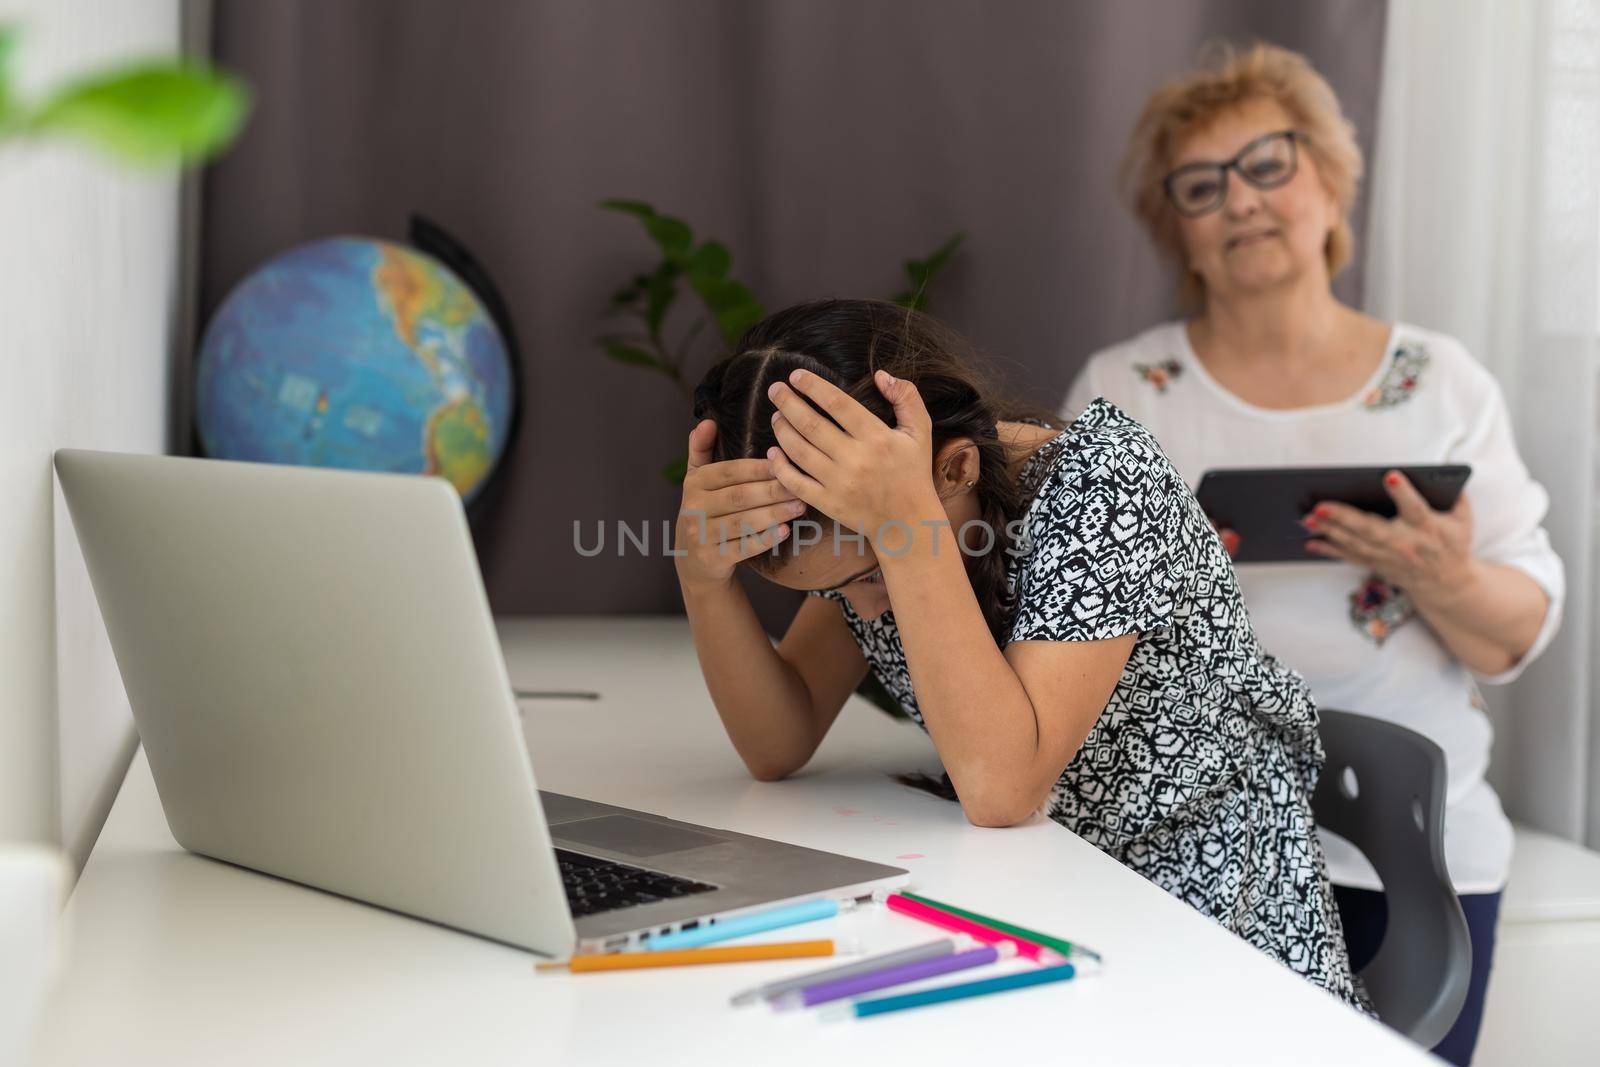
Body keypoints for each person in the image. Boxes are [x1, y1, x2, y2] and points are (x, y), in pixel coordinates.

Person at [1064, 43, 1563, 1064]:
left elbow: (1516, 630)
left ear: (1330, 185)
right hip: (1184, 843)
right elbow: (1055, 630)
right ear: (1179, 233)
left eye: (1268, 164)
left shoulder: (1441, 381)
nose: (1239, 200)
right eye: (1201, 185)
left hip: (1420, 852)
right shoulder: (1124, 390)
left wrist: (1443, 574)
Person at [676, 297, 1367, 1010]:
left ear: (955, 468)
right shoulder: (876, 537)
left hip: (1208, 913)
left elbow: (1004, 789)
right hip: (1044, 891)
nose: (865, 609)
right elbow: (776, 741)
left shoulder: (1103, 485)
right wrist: (703, 580)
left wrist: (903, 529)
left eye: (866, 576)